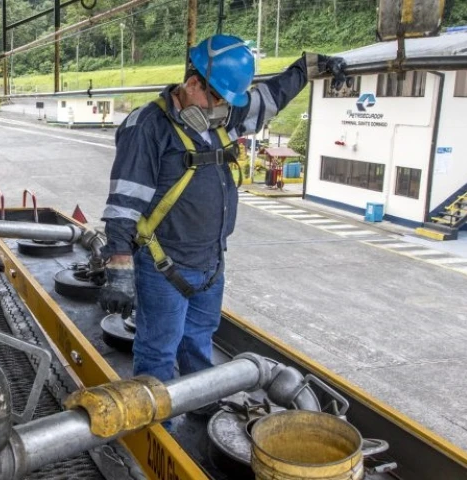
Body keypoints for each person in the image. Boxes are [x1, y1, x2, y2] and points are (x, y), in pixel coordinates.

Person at [98, 35, 349, 395]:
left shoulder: (220, 118)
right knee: (157, 352)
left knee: (199, 341)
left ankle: (202, 405)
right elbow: (125, 201)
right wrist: (120, 267)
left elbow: (270, 97)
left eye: (228, 101)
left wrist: (309, 67)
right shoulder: (148, 126)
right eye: (217, 98)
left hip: (211, 262)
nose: (222, 108)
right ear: (192, 83)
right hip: (164, 264)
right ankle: (159, 425)